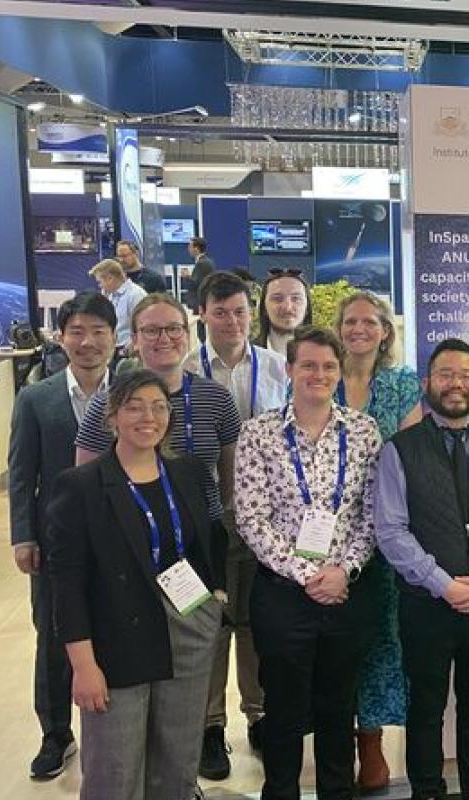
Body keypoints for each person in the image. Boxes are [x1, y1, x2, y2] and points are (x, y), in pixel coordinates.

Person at [46, 370, 225, 800]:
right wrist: (84, 667)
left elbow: (208, 541)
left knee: (178, 763)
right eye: (135, 406)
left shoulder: (188, 472)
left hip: (188, 628)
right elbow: (67, 585)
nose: (150, 416)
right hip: (116, 639)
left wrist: (215, 601)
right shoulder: (80, 486)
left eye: (159, 406)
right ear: (112, 417)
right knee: (115, 769)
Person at [374, 338, 469, 800]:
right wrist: (443, 584)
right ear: (427, 383)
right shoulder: (399, 449)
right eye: (445, 374)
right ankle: (427, 791)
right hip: (426, 605)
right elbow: (391, 531)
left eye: (465, 375)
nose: (456, 384)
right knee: (425, 708)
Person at [234, 326, 384, 800]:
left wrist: (344, 572)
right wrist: (307, 575)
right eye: (309, 365)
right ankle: (281, 792)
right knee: (283, 709)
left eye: (328, 366)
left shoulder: (363, 432)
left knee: (339, 707)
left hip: (347, 591)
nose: (318, 375)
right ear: (290, 369)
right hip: (282, 594)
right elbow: (251, 519)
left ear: (340, 372)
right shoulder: (258, 432)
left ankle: (338, 792)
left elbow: (374, 514)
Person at [183, 271, 289, 779]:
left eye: (240, 311)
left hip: (262, 517)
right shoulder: (182, 370)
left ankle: (259, 715)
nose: (230, 321)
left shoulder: (275, 367)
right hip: (204, 518)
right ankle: (208, 726)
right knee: (208, 623)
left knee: (252, 621)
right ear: (203, 313)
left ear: (253, 313)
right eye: (220, 311)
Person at [7, 291, 116, 780]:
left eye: (98, 331)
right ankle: (55, 734)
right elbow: (19, 472)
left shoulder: (135, 393)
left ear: (116, 337)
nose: (88, 341)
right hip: (55, 542)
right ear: (61, 337)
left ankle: (114, 730)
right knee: (54, 638)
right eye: (77, 331)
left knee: (115, 635)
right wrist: (22, 535)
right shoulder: (37, 397)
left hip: (121, 540)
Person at [335, 291, 421, 792]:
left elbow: (410, 457)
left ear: (386, 331)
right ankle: (337, 737)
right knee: (336, 637)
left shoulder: (402, 384)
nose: (360, 329)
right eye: (351, 321)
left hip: (387, 535)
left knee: (379, 642)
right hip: (326, 537)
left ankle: (370, 742)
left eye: (370, 321)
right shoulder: (321, 372)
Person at [77, 294, 240, 529]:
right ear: (134, 339)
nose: (164, 339)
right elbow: (85, 484)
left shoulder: (217, 398)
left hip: (204, 531)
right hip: (129, 533)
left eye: (174, 328)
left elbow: (229, 480)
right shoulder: (107, 403)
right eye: (151, 330)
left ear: (187, 334)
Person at [89, 259, 148, 350]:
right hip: (113, 347)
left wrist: (131, 347)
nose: (100, 286)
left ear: (110, 279)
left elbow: (144, 325)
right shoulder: (109, 295)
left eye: (100, 282)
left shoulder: (136, 295)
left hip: (129, 350)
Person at [255, 269, 313, 356]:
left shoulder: (325, 354)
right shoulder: (246, 354)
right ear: (264, 308)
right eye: (277, 299)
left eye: (296, 298)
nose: (287, 307)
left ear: (307, 308)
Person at [186, 237, 217, 311]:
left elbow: (198, 284)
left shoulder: (202, 263)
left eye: (190, 246)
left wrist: (187, 277)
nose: (188, 249)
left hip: (200, 303)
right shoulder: (206, 261)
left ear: (196, 249)